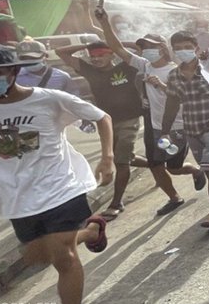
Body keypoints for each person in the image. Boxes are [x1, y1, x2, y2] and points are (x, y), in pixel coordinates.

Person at [0, 43, 114, 304]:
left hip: (60, 187)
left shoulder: (50, 99)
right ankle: (92, 231)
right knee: (38, 256)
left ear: (13, 72)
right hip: (15, 197)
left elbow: (102, 117)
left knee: (64, 258)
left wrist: (108, 157)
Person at [95, 12, 208, 216]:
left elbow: (186, 98)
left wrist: (163, 86)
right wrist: (104, 22)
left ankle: (194, 170)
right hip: (154, 126)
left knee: (174, 167)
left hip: (177, 127)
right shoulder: (144, 65)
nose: (147, 51)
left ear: (163, 49)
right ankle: (174, 197)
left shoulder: (177, 70)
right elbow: (117, 48)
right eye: (144, 47)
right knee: (155, 164)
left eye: (151, 47)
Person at [57, 39, 145, 222]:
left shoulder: (127, 66)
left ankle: (116, 203)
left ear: (111, 53)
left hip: (130, 119)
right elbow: (61, 52)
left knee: (121, 162)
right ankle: (157, 164)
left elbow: (139, 47)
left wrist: (112, 43)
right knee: (124, 156)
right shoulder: (89, 71)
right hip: (106, 122)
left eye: (100, 55)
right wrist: (87, 46)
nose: (96, 59)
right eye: (93, 56)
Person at [162, 32, 209, 229]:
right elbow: (171, 104)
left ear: (195, 46)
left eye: (186, 46)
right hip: (192, 129)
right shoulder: (173, 76)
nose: (182, 51)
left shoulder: (208, 67)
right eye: (178, 48)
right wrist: (164, 131)